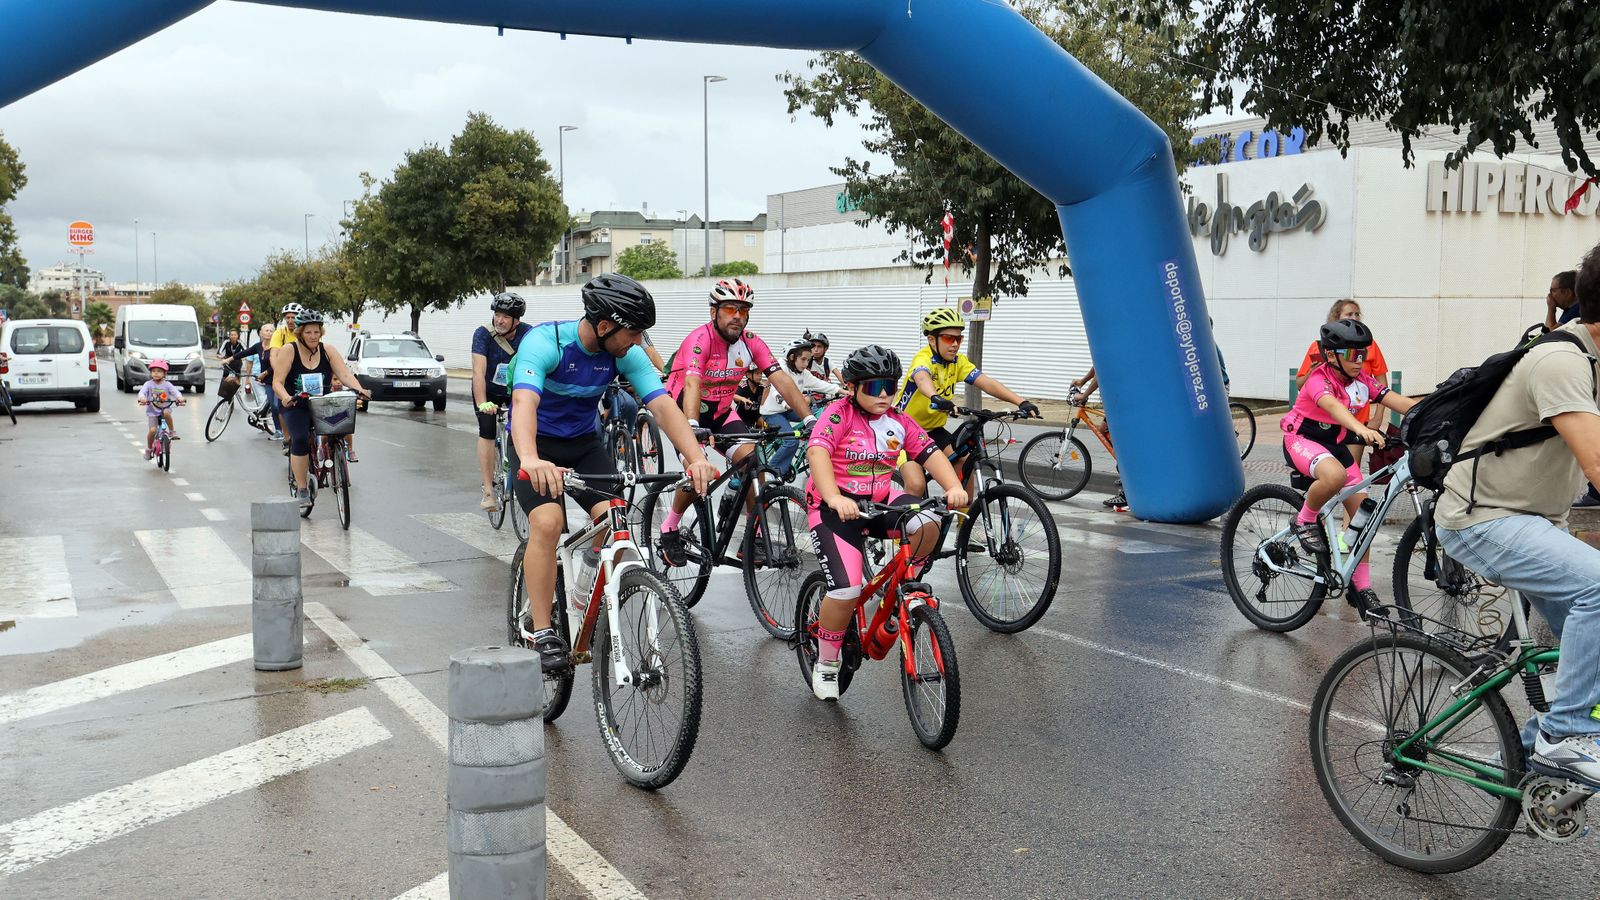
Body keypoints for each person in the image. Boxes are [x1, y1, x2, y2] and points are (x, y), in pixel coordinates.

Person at [1435, 242, 1600, 787]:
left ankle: (1529, 756)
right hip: (1483, 516)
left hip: (1535, 521)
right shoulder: (1560, 361)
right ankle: (1564, 735)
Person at [508, 273, 715, 671]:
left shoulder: (624, 354)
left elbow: (662, 405)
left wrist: (695, 456)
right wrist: (531, 460)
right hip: (535, 444)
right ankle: (541, 628)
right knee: (549, 523)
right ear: (605, 326)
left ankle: (583, 587)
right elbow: (523, 404)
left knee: (614, 521)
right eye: (634, 332)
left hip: (583, 444)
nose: (638, 341)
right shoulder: (546, 344)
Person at [804, 345, 969, 701]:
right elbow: (816, 452)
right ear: (852, 387)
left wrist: (954, 486)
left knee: (928, 521)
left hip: (879, 499)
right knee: (847, 589)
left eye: (890, 386)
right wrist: (834, 497)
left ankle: (899, 593)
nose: (883, 395)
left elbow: (930, 453)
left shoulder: (898, 420)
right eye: (873, 386)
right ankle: (827, 664)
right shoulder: (838, 414)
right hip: (835, 507)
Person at [657, 278, 816, 565]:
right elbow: (692, 383)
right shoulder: (699, 339)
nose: (738, 317)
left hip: (720, 412)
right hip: (683, 413)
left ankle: (750, 540)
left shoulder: (751, 342)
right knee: (698, 472)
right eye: (730, 309)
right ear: (713, 312)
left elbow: (782, 380)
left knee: (755, 465)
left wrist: (808, 418)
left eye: (743, 311)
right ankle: (669, 527)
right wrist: (692, 425)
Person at [1282, 318, 1417, 610]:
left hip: (1335, 445)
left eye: (1363, 354)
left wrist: (1432, 411)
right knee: (1335, 475)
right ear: (1331, 356)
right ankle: (1304, 519)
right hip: (1301, 439)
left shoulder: (1362, 382)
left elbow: (1397, 400)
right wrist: (1363, 428)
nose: (1359, 361)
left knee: (1364, 517)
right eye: (1351, 354)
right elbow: (1334, 407)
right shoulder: (1320, 379)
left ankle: (1361, 587)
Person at [896, 307, 1040, 494]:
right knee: (916, 484)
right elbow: (922, 378)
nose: (955, 344)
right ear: (932, 339)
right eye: (949, 338)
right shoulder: (923, 359)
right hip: (906, 430)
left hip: (934, 431)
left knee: (963, 467)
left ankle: (963, 521)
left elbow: (987, 383)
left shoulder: (958, 361)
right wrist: (936, 398)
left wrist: (1021, 402)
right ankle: (905, 522)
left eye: (959, 338)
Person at [272, 310, 369, 507]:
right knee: (299, 439)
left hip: (322, 403)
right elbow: (277, 382)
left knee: (339, 429)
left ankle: (334, 457)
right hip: (296, 404)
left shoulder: (328, 350)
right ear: (300, 333)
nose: (313, 336)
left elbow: (344, 374)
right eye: (308, 332)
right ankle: (301, 488)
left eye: (316, 332)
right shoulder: (289, 350)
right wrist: (285, 397)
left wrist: (360, 389)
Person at [1296, 299, 1389, 472]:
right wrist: (1312, 372)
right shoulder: (1318, 347)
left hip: (1358, 419)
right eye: (1349, 314)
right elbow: (1301, 385)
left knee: (1351, 473)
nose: (1354, 317)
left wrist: (1378, 417)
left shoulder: (1370, 345)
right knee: (1330, 474)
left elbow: (1382, 383)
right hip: (1325, 422)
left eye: (1357, 314)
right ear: (1337, 318)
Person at [472, 292, 533, 510]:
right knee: (487, 428)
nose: (499, 320)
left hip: (515, 389)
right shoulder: (482, 334)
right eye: (497, 314)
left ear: (517, 321)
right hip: (488, 392)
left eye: (506, 317)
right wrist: (482, 404)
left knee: (526, 427)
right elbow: (478, 372)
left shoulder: (529, 334)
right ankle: (488, 490)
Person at [762, 338, 843, 477]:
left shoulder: (802, 372)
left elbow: (820, 384)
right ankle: (770, 472)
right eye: (804, 359)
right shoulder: (780, 367)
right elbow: (777, 391)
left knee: (818, 419)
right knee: (791, 441)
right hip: (773, 412)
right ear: (792, 357)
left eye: (808, 360)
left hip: (788, 409)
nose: (806, 364)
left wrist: (842, 391)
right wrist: (785, 403)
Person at [137, 359, 184, 456]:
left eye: (159, 371)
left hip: (165, 408)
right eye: (153, 371)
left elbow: (175, 392)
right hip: (152, 411)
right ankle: (149, 449)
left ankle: (171, 431)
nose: (156, 373)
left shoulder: (167, 384)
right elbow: (142, 392)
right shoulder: (148, 384)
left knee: (167, 413)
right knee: (153, 430)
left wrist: (180, 398)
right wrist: (142, 398)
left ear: (164, 373)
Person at [216, 328, 244, 394]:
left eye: (235, 335)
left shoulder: (240, 342)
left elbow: (246, 351)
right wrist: (221, 357)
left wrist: (244, 357)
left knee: (238, 373)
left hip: (237, 361)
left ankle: (238, 387)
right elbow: (219, 352)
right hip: (227, 361)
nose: (233, 336)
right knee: (225, 373)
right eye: (231, 335)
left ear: (237, 336)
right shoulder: (226, 342)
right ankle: (223, 388)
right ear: (229, 336)